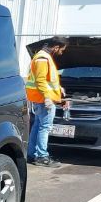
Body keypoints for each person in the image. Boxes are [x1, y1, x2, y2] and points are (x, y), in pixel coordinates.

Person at [26, 36, 68, 167]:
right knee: (44, 128)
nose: (61, 53)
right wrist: (48, 98)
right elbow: (40, 80)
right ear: (56, 47)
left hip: (40, 99)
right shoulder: (43, 58)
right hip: (43, 100)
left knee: (38, 126)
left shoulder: (42, 56)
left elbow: (49, 79)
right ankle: (42, 156)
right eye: (61, 50)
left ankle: (32, 154)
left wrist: (59, 89)